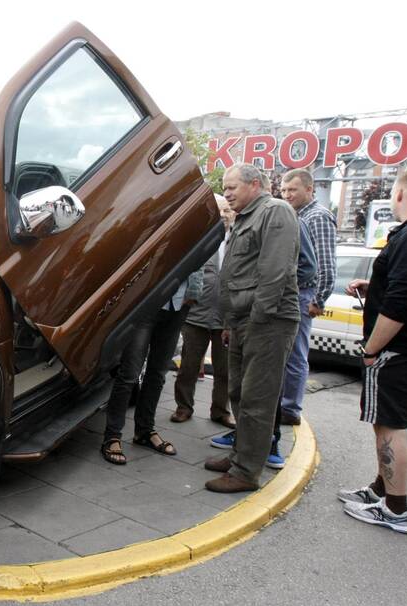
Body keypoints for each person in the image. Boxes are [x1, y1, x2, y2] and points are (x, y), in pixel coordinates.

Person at [339, 166, 407, 534]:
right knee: (394, 424)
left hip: (400, 352)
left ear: (401, 194)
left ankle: (395, 509)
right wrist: (373, 283)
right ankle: (381, 490)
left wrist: (372, 348)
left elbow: (403, 299)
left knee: (389, 426)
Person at [204, 164, 300, 492]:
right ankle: (239, 456)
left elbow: (275, 272)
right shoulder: (247, 215)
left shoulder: (276, 212)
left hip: (267, 321)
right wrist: (232, 323)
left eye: (232, 187)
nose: (227, 193)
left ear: (255, 184)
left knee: (257, 398)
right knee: (238, 392)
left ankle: (246, 473)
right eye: (224, 188)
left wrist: (257, 319)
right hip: (244, 320)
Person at [100, 270, 201, 465]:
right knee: (129, 373)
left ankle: (144, 431)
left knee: (157, 373)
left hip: (179, 304)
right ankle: (112, 436)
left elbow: (201, 258)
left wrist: (194, 294)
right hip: (147, 302)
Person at [171, 195, 236, 428]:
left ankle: (220, 411)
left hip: (226, 316)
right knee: (188, 366)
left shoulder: (238, 238)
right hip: (197, 314)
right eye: (219, 211)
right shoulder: (199, 239)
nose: (224, 215)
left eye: (228, 210)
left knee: (225, 369)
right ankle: (183, 407)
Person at [278, 168, 336, 426]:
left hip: (304, 294)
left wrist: (319, 299)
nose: (287, 194)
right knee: (287, 352)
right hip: (294, 293)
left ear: (310, 189)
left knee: (295, 354)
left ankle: (290, 409)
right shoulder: (296, 215)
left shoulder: (318, 216)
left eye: (293, 190)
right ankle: (284, 404)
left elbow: (325, 263)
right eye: (284, 190)